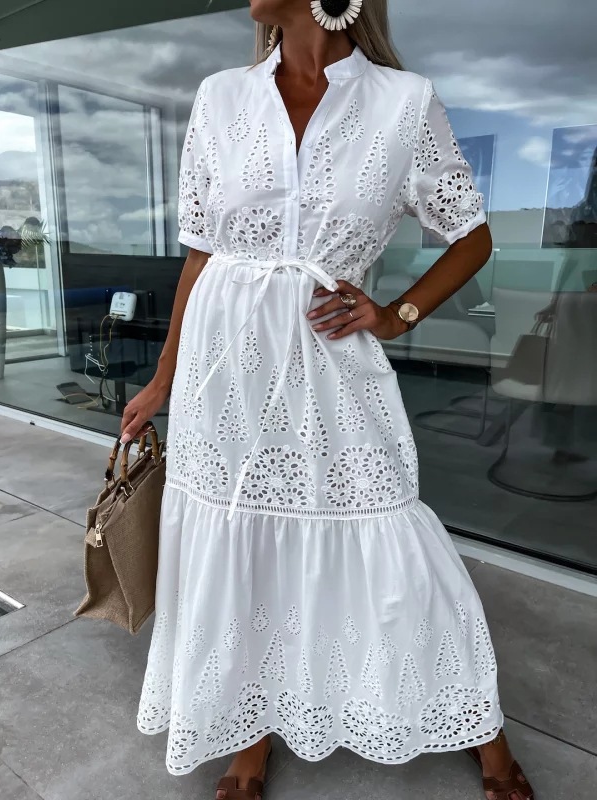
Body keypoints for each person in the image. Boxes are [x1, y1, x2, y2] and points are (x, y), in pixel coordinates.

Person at [122, 2, 535, 798]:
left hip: (327, 354)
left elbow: (473, 234)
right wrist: (164, 377)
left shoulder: (403, 103)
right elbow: (200, 254)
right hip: (222, 370)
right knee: (239, 542)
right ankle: (250, 735)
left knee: (388, 534)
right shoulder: (220, 96)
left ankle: (481, 728)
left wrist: (397, 314)